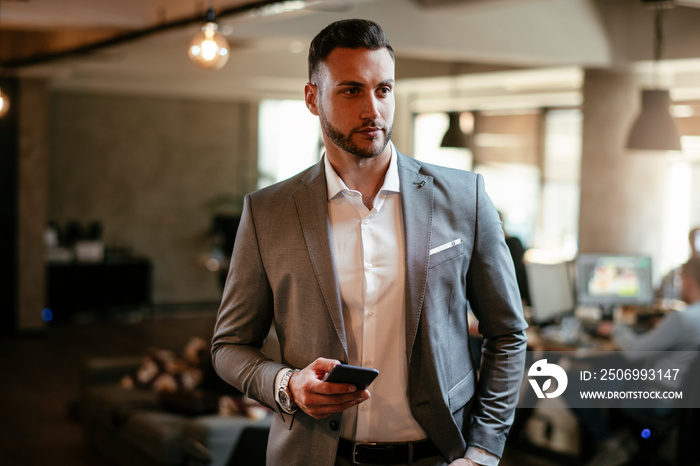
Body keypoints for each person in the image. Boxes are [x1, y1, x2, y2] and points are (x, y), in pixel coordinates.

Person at [211, 19, 527, 466]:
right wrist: (286, 384)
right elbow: (228, 347)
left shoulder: (464, 197)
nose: (373, 110)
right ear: (312, 98)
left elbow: (508, 333)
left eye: (383, 89)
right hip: (315, 456)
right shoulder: (268, 212)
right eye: (351, 90)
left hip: (441, 455)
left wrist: (484, 449)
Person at [571, 257, 700, 466]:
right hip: (674, 395)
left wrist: (614, 329)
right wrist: (661, 328)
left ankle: (609, 443)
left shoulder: (682, 320)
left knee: (570, 381)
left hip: (655, 397)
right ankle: (624, 438)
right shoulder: (692, 317)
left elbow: (634, 351)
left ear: (688, 281)